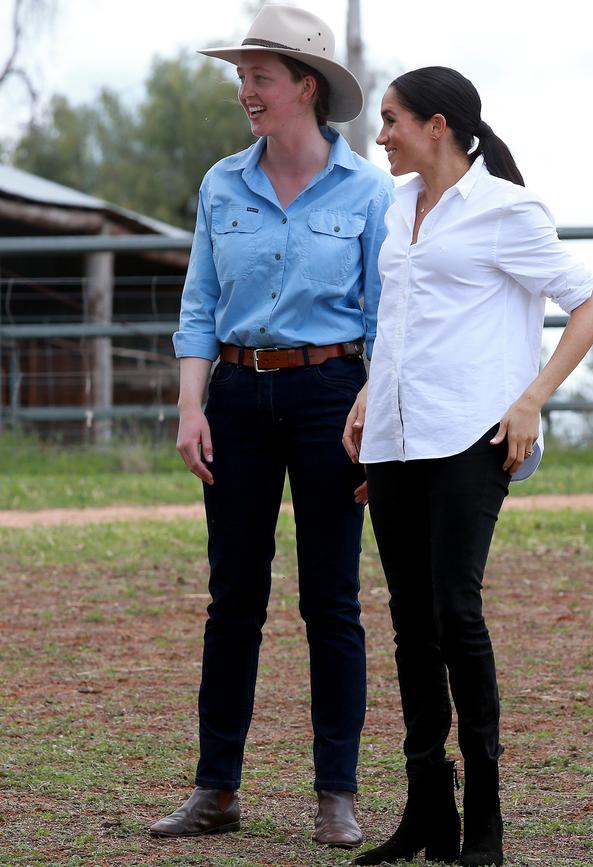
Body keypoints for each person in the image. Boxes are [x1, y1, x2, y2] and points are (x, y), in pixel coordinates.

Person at [343, 66, 593, 867]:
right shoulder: (396, 208)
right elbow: (400, 318)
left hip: (470, 436)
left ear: (438, 124)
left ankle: (485, 811)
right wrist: (365, 393)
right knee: (409, 622)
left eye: (391, 120)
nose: (381, 134)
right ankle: (429, 806)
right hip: (392, 437)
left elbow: (589, 304)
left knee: (455, 609)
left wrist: (531, 399)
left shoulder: (506, 210)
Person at [149, 5, 393, 848]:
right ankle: (216, 789)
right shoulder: (224, 183)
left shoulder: (369, 191)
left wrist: (372, 410)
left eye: (259, 76)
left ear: (306, 87)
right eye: (241, 76)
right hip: (238, 399)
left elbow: (388, 317)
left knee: (332, 601)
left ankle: (337, 793)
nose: (244, 90)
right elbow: (199, 307)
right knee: (233, 600)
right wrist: (190, 406)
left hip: (335, 398)